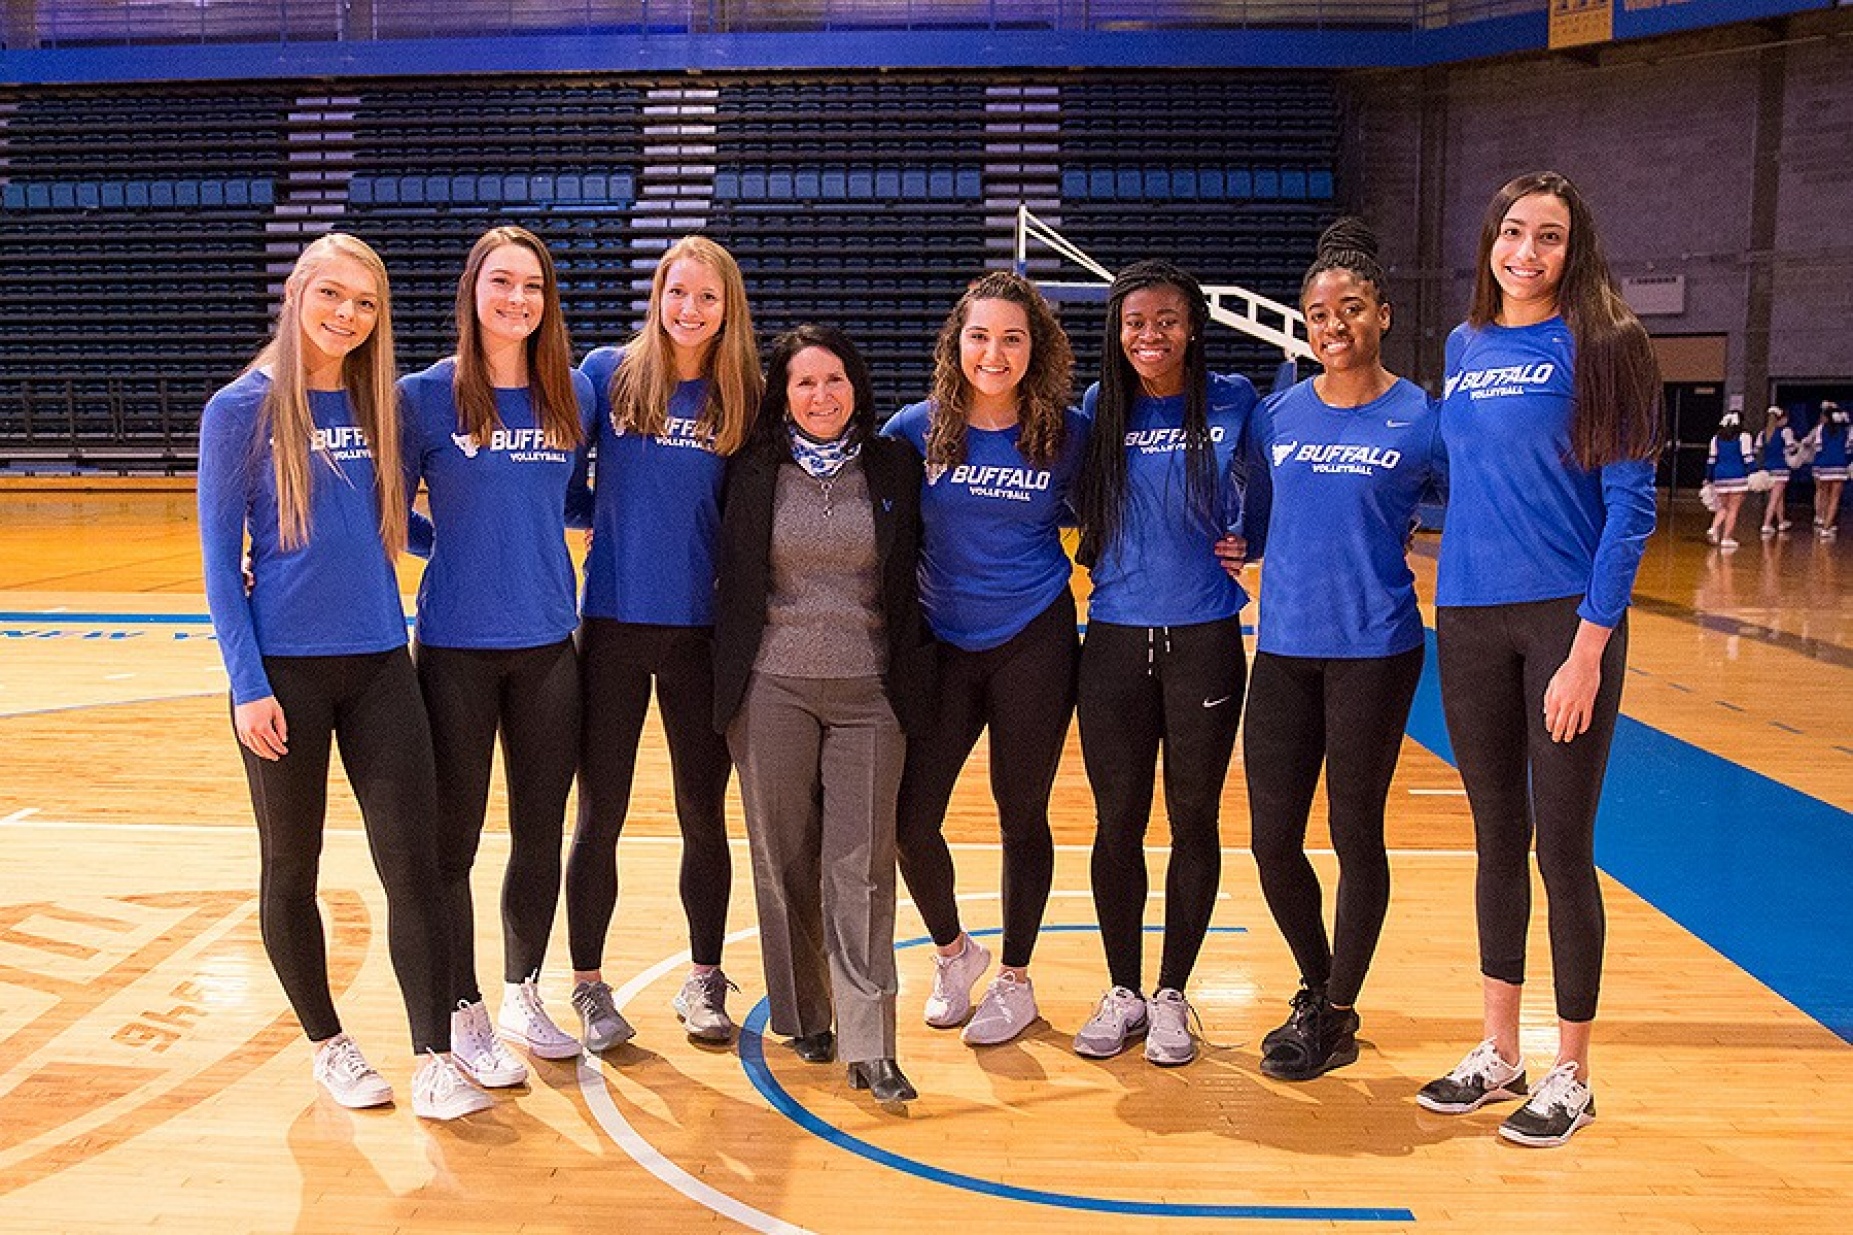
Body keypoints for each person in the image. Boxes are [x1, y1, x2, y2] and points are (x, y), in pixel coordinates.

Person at [197, 233, 491, 1120]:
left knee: (415, 863)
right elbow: (219, 561)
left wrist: (488, 525)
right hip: (282, 676)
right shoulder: (239, 409)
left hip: (378, 667)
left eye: (365, 303)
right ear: (296, 295)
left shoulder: (379, 408)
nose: (347, 315)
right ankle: (327, 1041)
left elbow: (394, 527)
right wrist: (247, 683)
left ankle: (434, 1053)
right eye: (332, 295)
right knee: (293, 864)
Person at [1418, 171, 1660, 1148]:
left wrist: (1587, 649)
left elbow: (1630, 505)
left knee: (1560, 847)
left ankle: (1571, 1068)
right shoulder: (1463, 345)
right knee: (1492, 837)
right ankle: (1497, 1049)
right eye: (1511, 232)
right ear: (1489, 241)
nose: (1525, 251)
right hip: (1468, 618)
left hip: (1565, 620)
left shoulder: (1606, 342)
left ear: (1574, 247)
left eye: (1547, 236)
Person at [1231, 219, 1444, 1081]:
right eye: (1318, 312)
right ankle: (1319, 988)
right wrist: (1229, 544)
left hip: (1375, 650)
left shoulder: (1422, 417)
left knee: (1355, 831)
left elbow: (1464, 506)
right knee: (1271, 840)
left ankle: (1336, 1009)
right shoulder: (1276, 413)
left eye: (1350, 308)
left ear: (1381, 314)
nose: (1332, 324)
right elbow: (1247, 515)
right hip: (1281, 649)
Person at [712, 326, 933, 1105]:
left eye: (833, 379)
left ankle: (872, 1044)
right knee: (784, 857)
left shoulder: (895, 465)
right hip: (771, 685)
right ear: (783, 395)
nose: (820, 395)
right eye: (803, 383)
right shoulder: (750, 471)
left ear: (856, 387)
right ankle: (806, 1012)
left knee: (861, 869)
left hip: (871, 690)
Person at [400, 226, 595, 1082]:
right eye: (500, 282)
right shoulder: (424, 396)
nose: (517, 299)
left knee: (540, 831)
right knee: (453, 842)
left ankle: (522, 988)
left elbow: (579, 500)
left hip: (551, 645)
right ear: (472, 291)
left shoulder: (570, 396)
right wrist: (437, 542)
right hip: (454, 651)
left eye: (533, 286)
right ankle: (462, 1004)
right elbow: (380, 505)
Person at [1070, 259, 1273, 1067]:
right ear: (1116, 332)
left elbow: (1273, 482)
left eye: (1164, 321)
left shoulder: (1234, 399)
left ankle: (1171, 993)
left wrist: (1251, 537)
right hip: (1114, 638)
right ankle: (1122, 988)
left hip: (1204, 641)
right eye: (1133, 323)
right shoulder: (1099, 405)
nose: (1148, 336)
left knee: (1193, 820)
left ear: (1192, 326)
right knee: (1116, 821)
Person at [564, 235, 763, 1050]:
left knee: (699, 812)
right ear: (658, 294)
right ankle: (584, 984)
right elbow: (557, 479)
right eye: (678, 292)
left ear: (727, 307)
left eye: (707, 297)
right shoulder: (606, 374)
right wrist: (604, 525)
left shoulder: (744, 392)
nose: (690, 309)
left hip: (700, 635)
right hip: (610, 625)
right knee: (598, 813)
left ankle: (704, 978)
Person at [881, 271, 1085, 1047]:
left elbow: (1125, 506)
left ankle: (1016, 981)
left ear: (1034, 348)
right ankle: (954, 952)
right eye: (978, 335)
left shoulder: (1063, 434)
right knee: (908, 819)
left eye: (1010, 337)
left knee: (1020, 813)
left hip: (1032, 636)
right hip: (941, 641)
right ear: (954, 343)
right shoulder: (915, 428)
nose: (992, 352)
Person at [1703, 409, 1755, 550]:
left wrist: (1708, 477)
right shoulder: (1744, 437)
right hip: (1737, 475)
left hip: (1720, 476)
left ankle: (1713, 528)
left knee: (1723, 507)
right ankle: (1726, 538)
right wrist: (1753, 472)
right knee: (1733, 509)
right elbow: (1748, 457)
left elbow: (1711, 460)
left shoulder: (1716, 438)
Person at [1807, 400, 1849, 539]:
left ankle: (1821, 519)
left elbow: (1818, 448)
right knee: (1834, 498)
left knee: (1823, 493)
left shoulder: (1820, 429)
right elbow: (1849, 449)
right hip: (1840, 466)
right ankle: (1827, 527)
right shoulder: (1847, 430)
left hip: (1824, 465)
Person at [1756, 406, 1795, 537]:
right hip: (1781, 468)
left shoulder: (1763, 433)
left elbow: (1757, 449)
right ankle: (1766, 524)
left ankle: (1781, 521)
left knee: (1778, 497)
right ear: (1781, 419)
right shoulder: (1785, 431)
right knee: (1774, 498)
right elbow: (1791, 449)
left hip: (1767, 468)